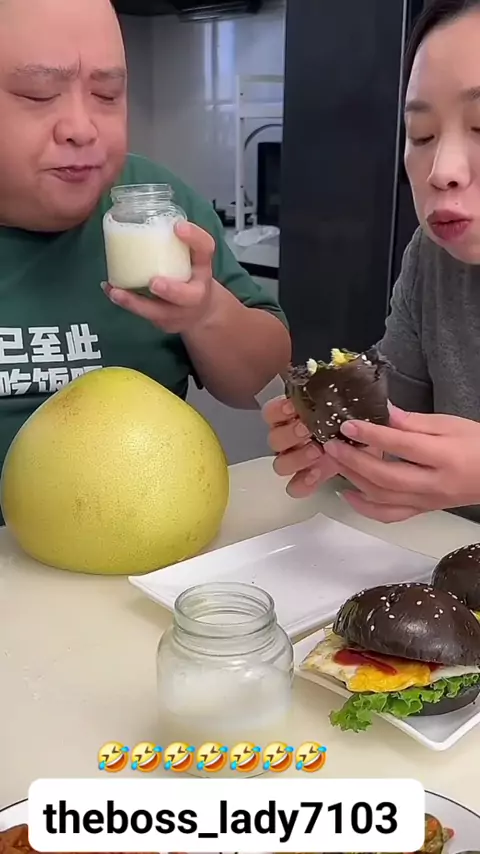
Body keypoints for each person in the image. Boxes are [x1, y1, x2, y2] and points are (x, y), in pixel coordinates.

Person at [0, 0, 291, 488]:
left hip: (147, 521)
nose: (81, 128)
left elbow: (266, 385)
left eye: (107, 95)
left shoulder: (154, 211)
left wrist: (207, 314)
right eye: (38, 94)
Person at [263, 0, 480, 525]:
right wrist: (346, 444)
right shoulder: (433, 258)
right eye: (421, 135)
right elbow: (394, 422)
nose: (442, 171)